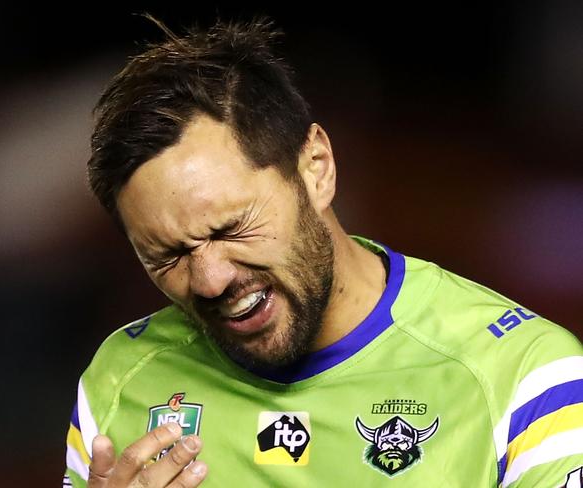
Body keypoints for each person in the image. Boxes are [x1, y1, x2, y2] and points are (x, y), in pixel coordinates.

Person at [63, 15, 583, 488]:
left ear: (316, 168)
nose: (210, 279)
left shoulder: (527, 379)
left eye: (229, 228)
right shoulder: (120, 381)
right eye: (167, 256)